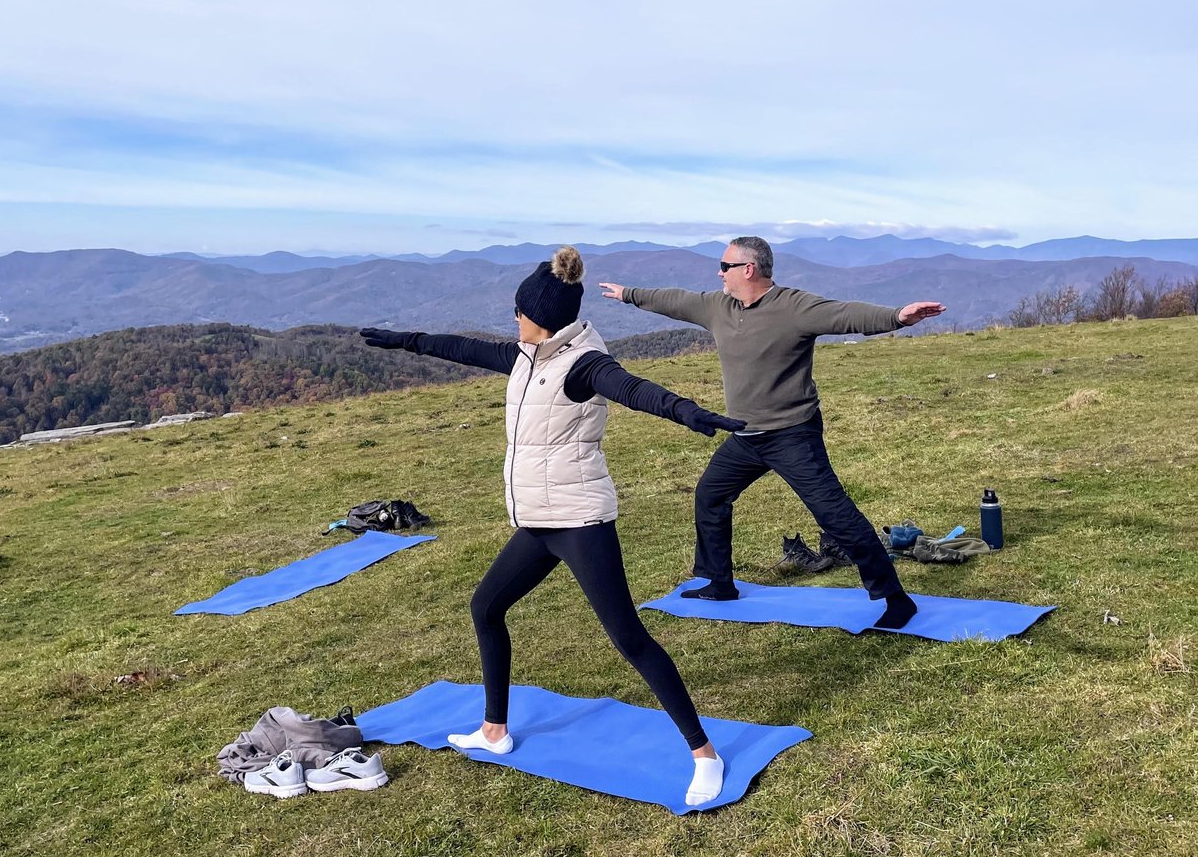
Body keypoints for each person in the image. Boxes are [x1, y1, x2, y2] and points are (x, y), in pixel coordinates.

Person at [360, 246, 745, 806]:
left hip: (579, 521)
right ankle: (495, 730)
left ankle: (704, 754)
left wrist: (686, 411)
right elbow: (466, 349)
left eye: (518, 312)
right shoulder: (529, 355)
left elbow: (634, 389)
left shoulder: (582, 363)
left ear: (538, 316)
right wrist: (407, 340)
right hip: (538, 521)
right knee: (486, 608)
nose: (513, 321)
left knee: (630, 638)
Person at [599, 236, 945, 630]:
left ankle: (895, 598)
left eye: (724, 266)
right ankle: (719, 582)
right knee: (710, 496)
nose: (719, 273)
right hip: (744, 436)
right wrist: (628, 294)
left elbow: (846, 314)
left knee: (836, 516)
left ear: (748, 269)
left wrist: (898, 316)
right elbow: (674, 300)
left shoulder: (794, 307)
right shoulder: (718, 306)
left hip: (792, 435)